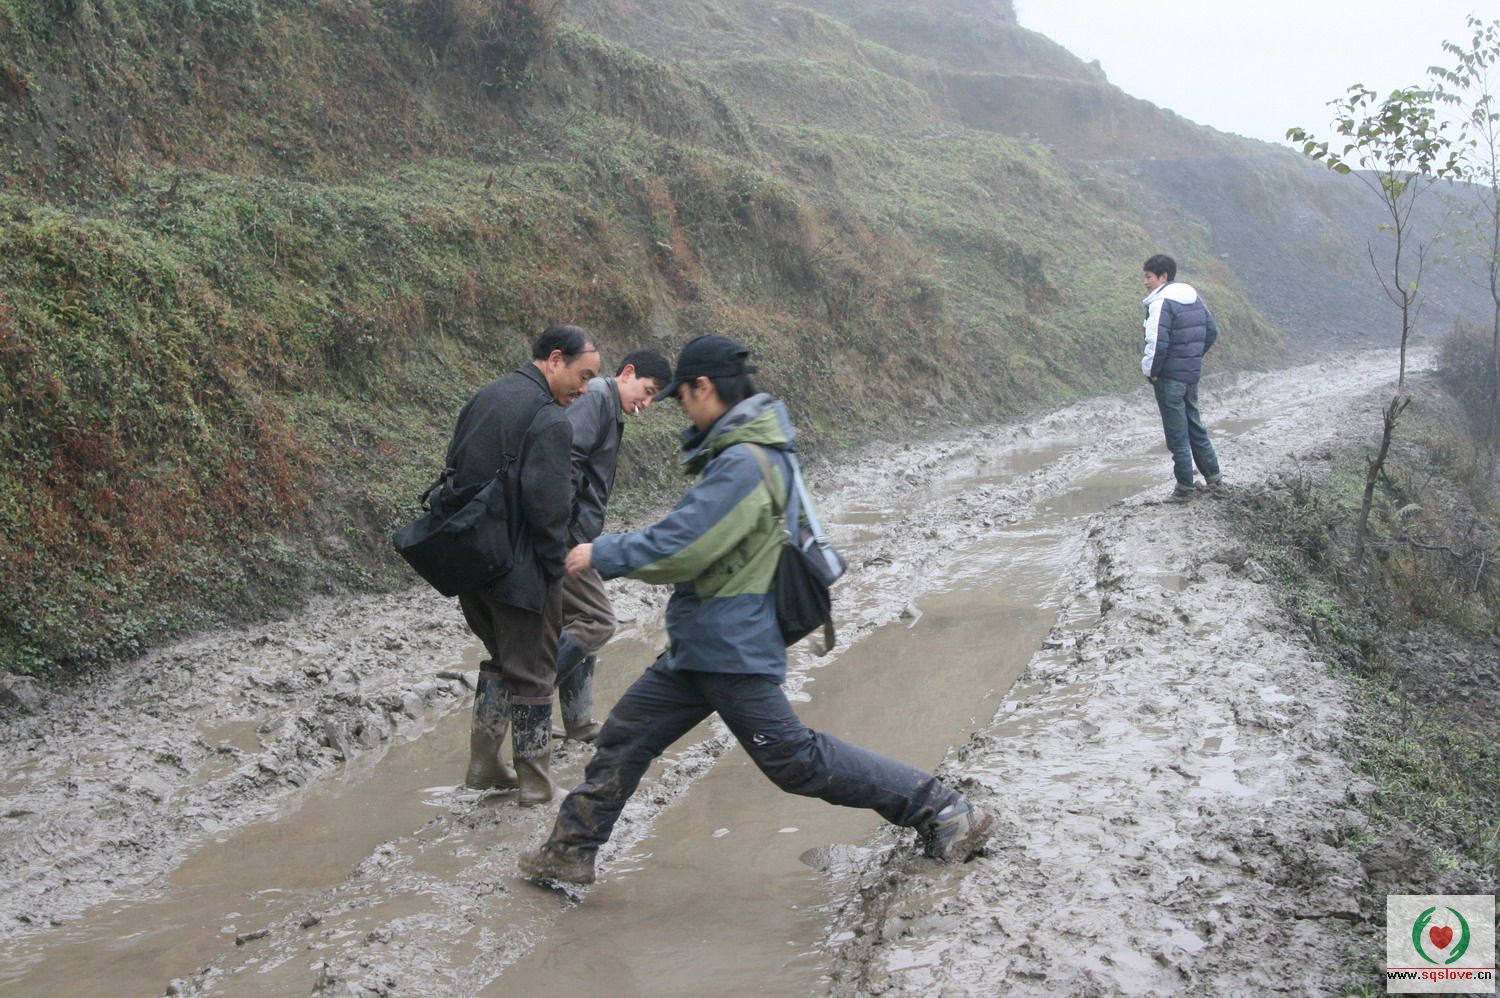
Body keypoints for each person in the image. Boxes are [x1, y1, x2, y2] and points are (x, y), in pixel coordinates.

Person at [518, 335, 994, 886]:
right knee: (626, 734)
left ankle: (940, 808)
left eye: (682, 397)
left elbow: (687, 544)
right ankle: (570, 851)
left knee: (793, 760)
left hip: (730, 644)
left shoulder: (743, 460)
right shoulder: (754, 448)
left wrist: (601, 552)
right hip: (703, 639)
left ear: (704, 387)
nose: (681, 410)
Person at [455, 324, 600, 805]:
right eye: (583, 376)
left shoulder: (486, 396)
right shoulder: (551, 420)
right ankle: (536, 784)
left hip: (470, 558)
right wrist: (554, 570)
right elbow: (548, 509)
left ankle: (483, 766)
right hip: (519, 569)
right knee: (536, 670)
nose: (585, 389)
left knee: (501, 657)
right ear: (555, 359)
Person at [555, 348, 674, 742]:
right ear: (627, 373)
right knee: (598, 620)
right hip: (565, 537)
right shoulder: (595, 401)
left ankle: (578, 723)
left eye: (654, 398)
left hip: (574, 534)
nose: (647, 403)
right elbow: (565, 463)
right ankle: (527, 691)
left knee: (575, 623)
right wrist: (564, 531)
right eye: (648, 391)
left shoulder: (607, 404)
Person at [1140, 253, 1223, 501]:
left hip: (1169, 378)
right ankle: (1214, 479)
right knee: (1196, 427)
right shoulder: (1194, 297)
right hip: (1190, 375)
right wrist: (1192, 358)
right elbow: (1211, 331)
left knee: (1177, 435)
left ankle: (1184, 488)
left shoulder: (1161, 304)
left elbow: (1157, 343)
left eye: (1149, 277)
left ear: (1163, 277)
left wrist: (1151, 372)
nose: (1145, 282)